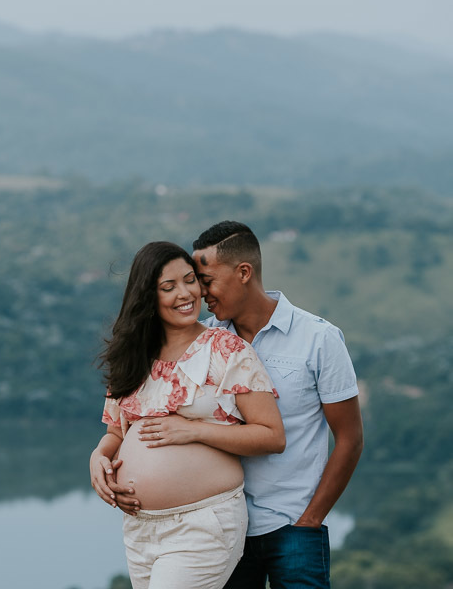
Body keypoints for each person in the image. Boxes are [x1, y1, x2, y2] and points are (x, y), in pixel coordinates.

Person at [132, 221, 364, 588]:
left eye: (205, 280)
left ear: (243, 272)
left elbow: (350, 439)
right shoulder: (203, 341)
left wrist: (311, 519)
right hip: (222, 523)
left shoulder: (319, 339)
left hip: (293, 525)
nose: (200, 293)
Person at [89, 241, 285, 589]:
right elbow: (116, 433)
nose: (185, 293)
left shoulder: (227, 350)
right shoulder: (133, 357)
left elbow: (271, 435)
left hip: (201, 524)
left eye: (190, 280)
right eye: (168, 287)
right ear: (147, 296)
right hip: (140, 528)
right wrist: (98, 457)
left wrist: (193, 430)